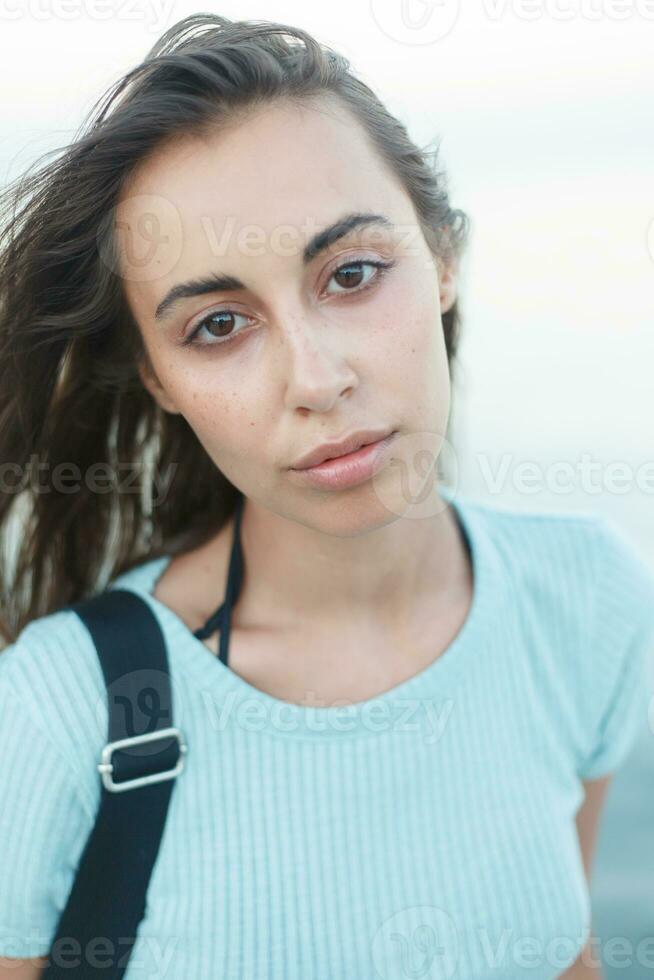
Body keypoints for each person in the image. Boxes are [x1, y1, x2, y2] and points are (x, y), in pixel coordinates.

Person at [1, 14, 653, 980]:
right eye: (219, 324)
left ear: (440, 256)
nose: (315, 378)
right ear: (157, 378)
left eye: (350, 273)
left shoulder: (583, 595)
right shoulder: (63, 710)